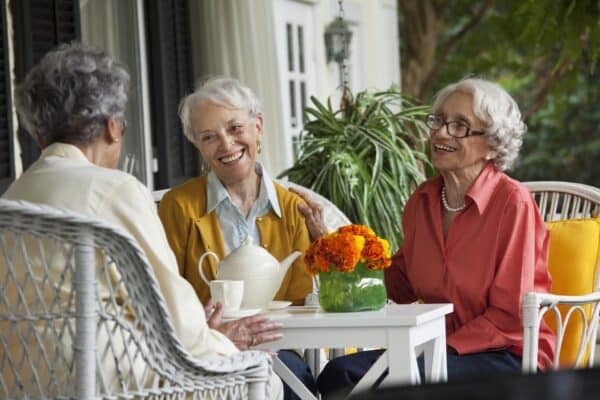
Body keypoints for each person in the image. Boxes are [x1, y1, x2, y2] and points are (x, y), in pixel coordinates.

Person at [3, 42, 283, 398]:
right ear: (113, 127)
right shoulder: (114, 191)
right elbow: (177, 321)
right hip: (118, 385)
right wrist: (220, 342)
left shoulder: (11, 200)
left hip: (22, 386)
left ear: (39, 135)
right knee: (265, 377)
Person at [300, 78, 555, 398]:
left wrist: (436, 347)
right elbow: (399, 282)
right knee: (338, 374)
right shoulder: (423, 201)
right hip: (436, 349)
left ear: (492, 144)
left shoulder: (512, 204)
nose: (442, 132)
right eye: (439, 121)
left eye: (460, 126)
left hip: (506, 354)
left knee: (387, 383)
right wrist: (337, 250)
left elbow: (509, 314)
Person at [157, 77, 317, 399]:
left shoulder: (292, 208)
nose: (226, 145)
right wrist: (212, 337)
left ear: (258, 127)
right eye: (209, 137)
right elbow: (162, 296)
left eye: (234, 128)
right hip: (208, 355)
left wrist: (322, 246)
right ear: (198, 146)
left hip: (281, 352)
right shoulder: (179, 206)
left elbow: (306, 303)